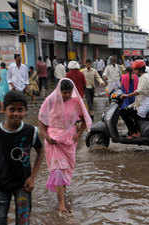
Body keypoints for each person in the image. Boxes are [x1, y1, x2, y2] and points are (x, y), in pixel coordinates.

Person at [0, 91, 43, 225]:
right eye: (12, 109)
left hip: (24, 185)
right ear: (4, 109)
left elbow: (40, 151)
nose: (16, 113)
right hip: (0, 184)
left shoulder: (30, 131)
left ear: (25, 111)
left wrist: (32, 177)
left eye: (20, 110)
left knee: (23, 220)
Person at [38, 78, 92, 214]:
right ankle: (61, 205)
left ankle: (62, 193)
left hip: (69, 141)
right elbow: (41, 122)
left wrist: (78, 134)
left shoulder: (76, 102)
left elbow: (86, 118)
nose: (66, 95)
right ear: (59, 91)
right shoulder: (50, 101)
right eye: (64, 93)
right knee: (58, 170)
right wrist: (46, 137)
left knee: (65, 170)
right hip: (53, 142)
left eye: (69, 92)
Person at [120, 60, 149, 138]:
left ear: (140, 69)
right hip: (140, 102)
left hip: (144, 105)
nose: (134, 71)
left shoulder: (144, 77)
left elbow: (138, 91)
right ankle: (132, 131)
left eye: (135, 69)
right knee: (125, 110)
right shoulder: (143, 76)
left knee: (124, 113)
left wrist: (127, 95)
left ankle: (135, 132)